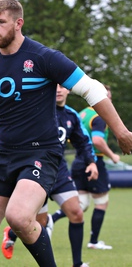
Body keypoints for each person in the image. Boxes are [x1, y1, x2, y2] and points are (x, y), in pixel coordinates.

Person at [0, 0, 132, 266]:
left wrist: (121, 131)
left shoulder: (44, 58)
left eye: (1, 22)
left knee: (18, 216)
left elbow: (92, 89)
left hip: (40, 153)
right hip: (2, 154)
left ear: (18, 23)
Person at [1, 84, 98, 267]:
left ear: (69, 90)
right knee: (39, 224)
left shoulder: (71, 116)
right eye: (56, 86)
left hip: (59, 172)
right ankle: (12, 233)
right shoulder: (38, 110)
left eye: (63, 86)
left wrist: (91, 162)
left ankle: (77, 263)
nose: (59, 89)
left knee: (77, 213)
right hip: (36, 171)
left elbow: (82, 141)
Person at [56, 84, 119, 250]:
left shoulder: (83, 113)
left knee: (81, 204)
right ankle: (94, 241)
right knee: (101, 202)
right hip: (93, 160)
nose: (109, 101)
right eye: (107, 97)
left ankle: (51, 219)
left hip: (79, 160)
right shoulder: (99, 116)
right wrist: (112, 155)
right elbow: (97, 140)